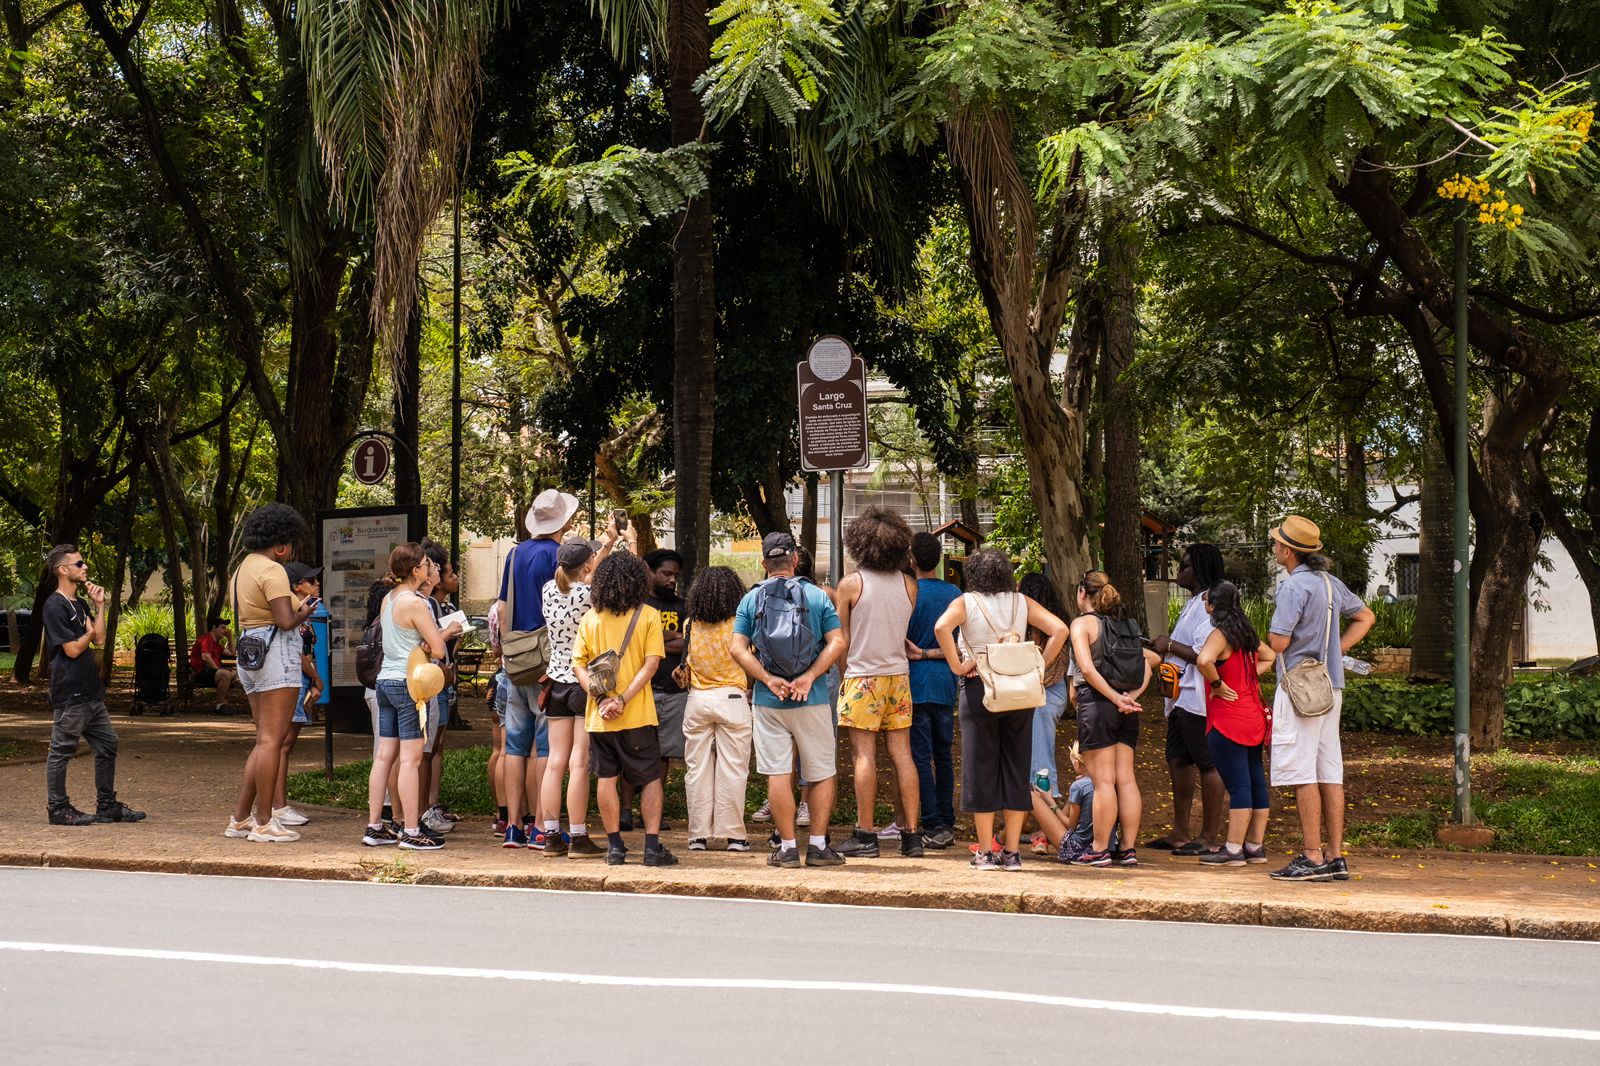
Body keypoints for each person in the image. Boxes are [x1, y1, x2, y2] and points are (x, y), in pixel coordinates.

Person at [934, 549, 1068, 871]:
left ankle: (985, 852)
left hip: (981, 686)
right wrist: (1039, 665)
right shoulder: (1021, 602)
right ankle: (1012, 852)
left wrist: (957, 664)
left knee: (981, 768)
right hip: (1019, 690)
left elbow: (941, 628)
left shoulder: (967, 602)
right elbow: (1060, 629)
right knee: (1015, 768)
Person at [1265, 516, 1375, 882]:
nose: (1275, 548)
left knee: (1302, 770)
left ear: (1288, 551)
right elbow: (1365, 616)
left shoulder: (1293, 588)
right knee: (1330, 769)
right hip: (1331, 684)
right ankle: (1334, 854)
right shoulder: (1330, 583)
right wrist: (1334, 650)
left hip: (1299, 685)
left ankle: (1311, 855)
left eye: (1278, 543)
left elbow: (1279, 642)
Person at [730, 532, 847, 870]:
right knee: (821, 772)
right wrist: (811, 676)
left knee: (778, 773)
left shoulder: (751, 600)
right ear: (796, 560)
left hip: (770, 700)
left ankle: (787, 848)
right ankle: (820, 846)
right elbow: (837, 642)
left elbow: (737, 648)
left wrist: (767, 679)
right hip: (812, 698)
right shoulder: (817, 596)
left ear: (764, 563)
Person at [572, 551, 676, 867]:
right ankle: (651, 846)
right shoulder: (646, 616)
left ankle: (615, 846)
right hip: (637, 714)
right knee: (651, 777)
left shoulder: (591, 618)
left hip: (599, 717)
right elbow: (652, 664)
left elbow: (577, 663)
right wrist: (624, 699)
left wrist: (601, 698)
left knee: (606, 777)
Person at [833, 507, 923, 859]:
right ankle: (912, 836)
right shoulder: (909, 584)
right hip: (898, 677)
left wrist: (845, 676)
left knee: (864, 756)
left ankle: (865, 833)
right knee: (903, 755)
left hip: (862, 675)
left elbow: (842, 638)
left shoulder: (851, 585)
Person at [226, 504, 319, 844]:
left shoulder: (241, 570)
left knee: (262, 740)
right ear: (281, 545)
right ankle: (264, 822)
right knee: (272, 741)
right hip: (275, 652)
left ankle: (240, 819)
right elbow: (284, 620)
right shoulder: (273, 570)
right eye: (290, 544)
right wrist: (304, 609)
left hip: (249, 652)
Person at [361, 542, 461, 850]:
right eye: (428, 564)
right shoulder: (416, 604)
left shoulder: (389, 599)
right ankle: (412, 830)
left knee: (383, 756)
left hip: (385, 682)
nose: (432, 569)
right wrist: (447, 631)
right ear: (416, 570)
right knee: (411, 759)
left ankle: (375, 825)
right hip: (410, 685)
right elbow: (438, 648)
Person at [41, 544, 144, 826]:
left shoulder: (79, 603)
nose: (84, 567)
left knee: (108, 744)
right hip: (70, 690)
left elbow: (98, 638)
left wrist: (100, 606)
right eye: (79, 564)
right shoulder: (55, 605)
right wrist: (86, 633)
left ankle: (107, 805)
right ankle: (58, 808)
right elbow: (72, 650)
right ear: (63, 570)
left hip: (90, 692)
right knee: (62, 749)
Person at [538, 529, 625, 859]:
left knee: (554, 762)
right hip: (582, 681)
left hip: (555, 681)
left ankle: (550, 834)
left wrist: (603, 546)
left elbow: (583, 574)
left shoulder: (549, 590)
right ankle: (577, 834)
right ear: (587, 563)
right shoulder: (589, 595)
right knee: (579, 762)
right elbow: (592, 582)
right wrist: (610, 547)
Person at [496, 489, 575, 847]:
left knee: (514, 745)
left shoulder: (514, 554)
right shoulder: (558, 556)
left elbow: (500, 609)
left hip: (516, 659)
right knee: (545, 747)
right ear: (564, 521)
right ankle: (542, 825)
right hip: (549, 661)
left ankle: (513, 824)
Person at [1066, 570, 1153, 867]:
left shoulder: (1081, 624)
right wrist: (1130, 698)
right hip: (1126, 709)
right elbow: (1148, 666)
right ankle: (1127, 849)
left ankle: (1099, 848)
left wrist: (1114, 698)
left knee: (1103, 782)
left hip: (1098, 705)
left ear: (1082, 593)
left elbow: (1087, 670)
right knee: (1125, 779)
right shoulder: (1125, 625)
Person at [1147, 543, 1228, 856]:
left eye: (1184, 566)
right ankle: (1180, 832)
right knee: (1178, 759)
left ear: (1200, 570)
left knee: (1207, 763)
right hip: (1178, 697)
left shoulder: (1210, 605)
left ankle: (1209, 835)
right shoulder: (1194, 602)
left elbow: (1207, 655)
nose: (1179, 571)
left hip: (1198, 697)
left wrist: (1170, 646)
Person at [1195, 580, 1278, 866]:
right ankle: (1254, 845)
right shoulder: (1245, 631)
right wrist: (1248, 677)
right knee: (1255, 780)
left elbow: (1204, 660)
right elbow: (1270, 655)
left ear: (1212, 606)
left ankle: (1232, 849)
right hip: (1253, 714)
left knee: (1238, 784)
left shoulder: (1220, 634)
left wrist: (1217, 683)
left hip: (1228, 718)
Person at [681, 566, 753, 851]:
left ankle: (697, 835)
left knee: (696, 769)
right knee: (733, 769)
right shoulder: (740, 625)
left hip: (697, 700)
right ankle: (734, 835)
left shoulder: (691, 624)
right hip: (733, 699)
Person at [903, 531, 960, 850]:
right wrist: (934, 653)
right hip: (946, 680)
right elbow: (959, 643)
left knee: (921, 757)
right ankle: (947, 820)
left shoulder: (909, 592)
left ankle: (933, 821)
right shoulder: (954, 592)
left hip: (915, 682)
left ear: (912, 560)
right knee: (944, 754)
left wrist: (920, 653)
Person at [630, 548, 687, 830]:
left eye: (675, 575)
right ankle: (625, 810)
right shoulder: (638, 606)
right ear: (650, 572)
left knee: (664, 754)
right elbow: (636, 644)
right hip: (641, 690)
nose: (671, 579)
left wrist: (654, 644)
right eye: (666, 573)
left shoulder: (682, 606)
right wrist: (668, 638)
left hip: (674, 692)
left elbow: (687, 643)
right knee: (634, 749)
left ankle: (652, 812)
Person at [270, 562, 324, 830]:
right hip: (294, 679)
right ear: (295, 586)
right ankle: (277, 805)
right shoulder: (293, 613)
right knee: (282, 745)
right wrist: (315, 677)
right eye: (310, 581)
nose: (316, 584)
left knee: (286, 745)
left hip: (301, 680)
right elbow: (298, 653)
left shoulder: (304, 613)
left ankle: (278, 803)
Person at [1017, 572, 1072, 801]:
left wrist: (1038, 667)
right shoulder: (1058, 618)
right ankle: (1038, 802)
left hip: (1044, 692)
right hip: (1051, 690)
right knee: (1037, 750)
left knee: (1040, 754)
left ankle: (1048, 801)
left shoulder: (1043, 625)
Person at [1028, 743, 1117, 863]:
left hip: (1077, 850)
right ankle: (1041, 837)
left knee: (1030, 796)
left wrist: (1050, 802)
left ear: (1077, 764)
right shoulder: (1112, 785)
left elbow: (1070, 825)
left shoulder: (1079, 786)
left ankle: (1003, 842)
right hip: (1106, 849)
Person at [189, 613, 236, 714]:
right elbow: (205, 656)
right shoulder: (206, 640)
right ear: (214, 627)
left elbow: (232, 653)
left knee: (237, 673)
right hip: (201, 673)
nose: (225, 631)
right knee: (225, 674)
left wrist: (230, 638)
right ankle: (220, 704)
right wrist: (218, 670)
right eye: (223, 628)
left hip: (212, 673)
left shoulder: (216, 644)